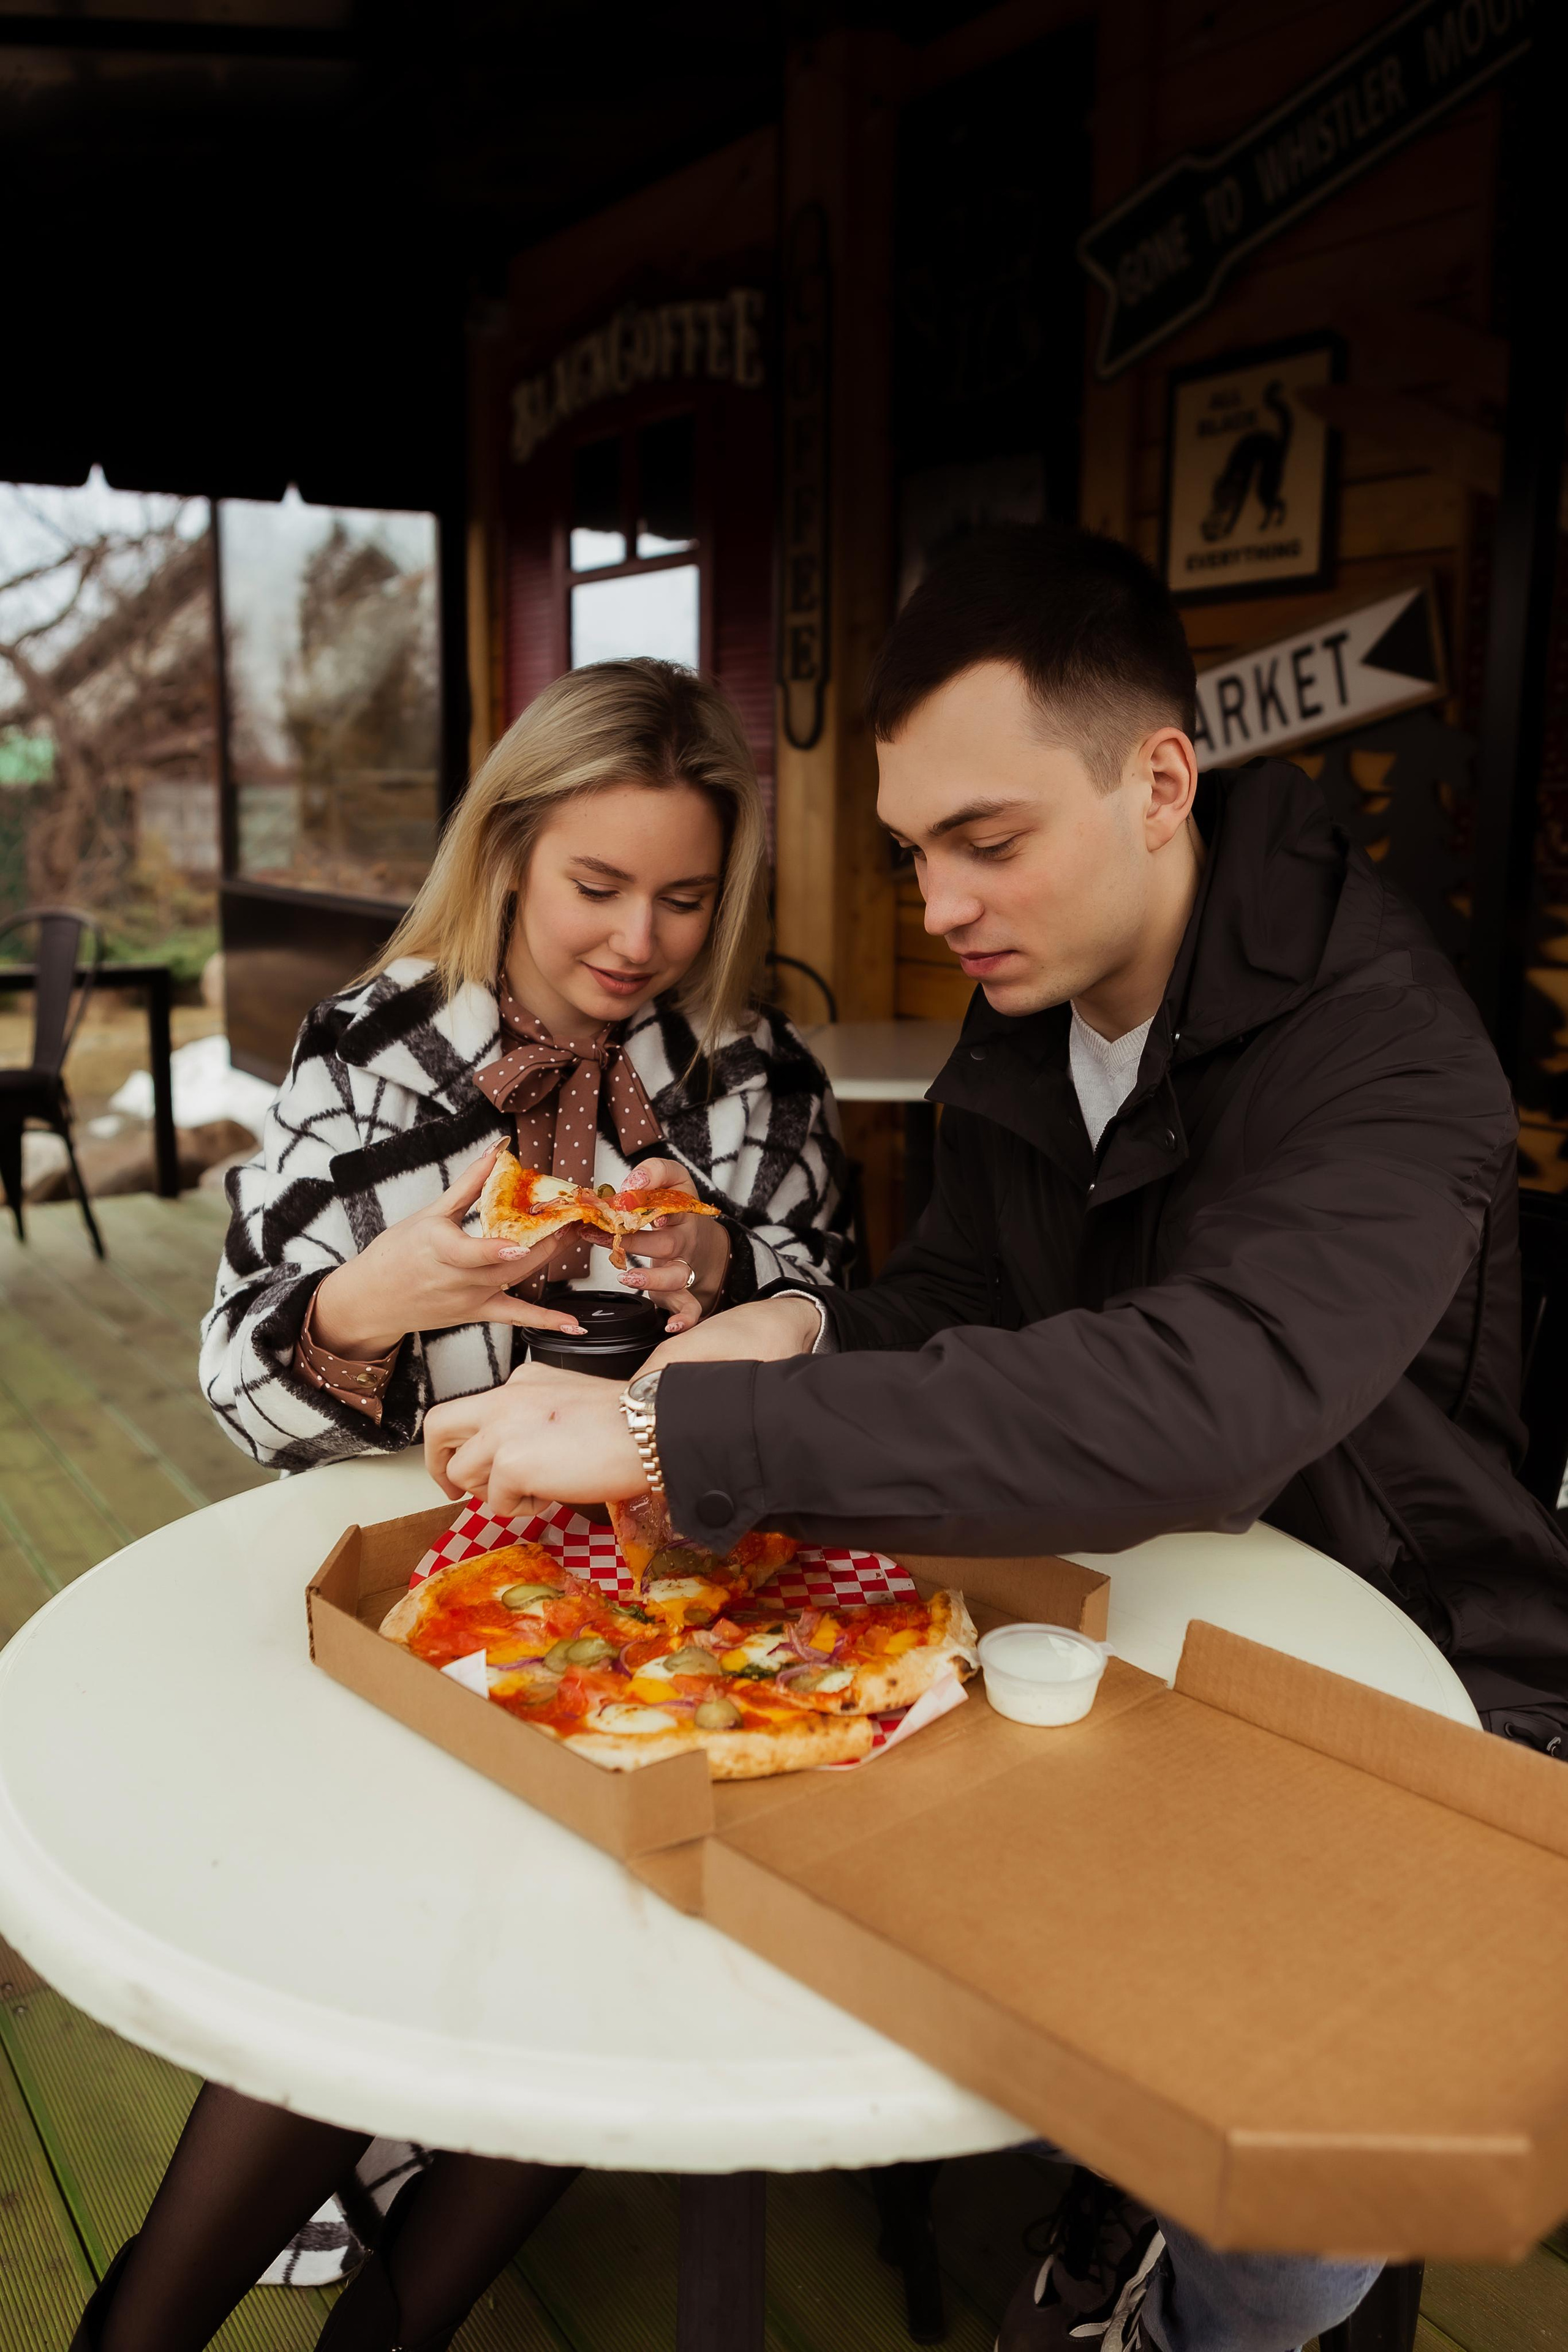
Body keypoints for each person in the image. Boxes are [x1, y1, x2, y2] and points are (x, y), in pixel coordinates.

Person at [422, 524, 1568, 2352]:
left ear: (1161, 781)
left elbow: (1206, 1401)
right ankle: (1104, 2216)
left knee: (1282, 2237)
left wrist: (667, 1433)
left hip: (1415, 1694)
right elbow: (960, 1288)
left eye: (988, 840)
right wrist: (775, 1328)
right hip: (1117, 1628)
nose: (941, 902)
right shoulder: (1039, 1003)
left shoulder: (1389, 1050)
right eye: (913, 853)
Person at [72, 660, 848, 2352]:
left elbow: (832, 1330)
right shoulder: (373, 1042)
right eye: (594, 887)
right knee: (366, 1947)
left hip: (661, 1607)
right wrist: (378, 1298)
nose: (639, 939)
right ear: (504, 854)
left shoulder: (750, 1071)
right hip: (407, 1595)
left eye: (685, 896)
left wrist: (731, 1272)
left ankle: (397, 2326)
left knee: (607, 1938)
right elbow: (242, 1390)